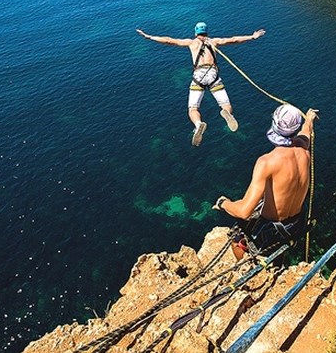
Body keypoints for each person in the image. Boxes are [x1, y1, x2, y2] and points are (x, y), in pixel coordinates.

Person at [213, 105, 318, 259]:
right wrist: (309, 119)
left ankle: (245, 267)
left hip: (272, 229)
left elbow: (243, 211)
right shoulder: (304, 149)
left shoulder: (266, 162)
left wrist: (223, 203)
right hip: (297, 224)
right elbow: (306, 131)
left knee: (236, 239)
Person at [136, 23, 266, 146]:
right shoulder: (214, 42)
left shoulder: (191, 43)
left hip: (198, 76)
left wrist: (149, 36)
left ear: (195, 32)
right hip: (213, 75)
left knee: (193, 108)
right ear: (206, 32)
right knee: (226, 105)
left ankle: (198, 125)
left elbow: (169, 40)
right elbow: (233, 39)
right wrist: (252, 36)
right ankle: (227, 114)